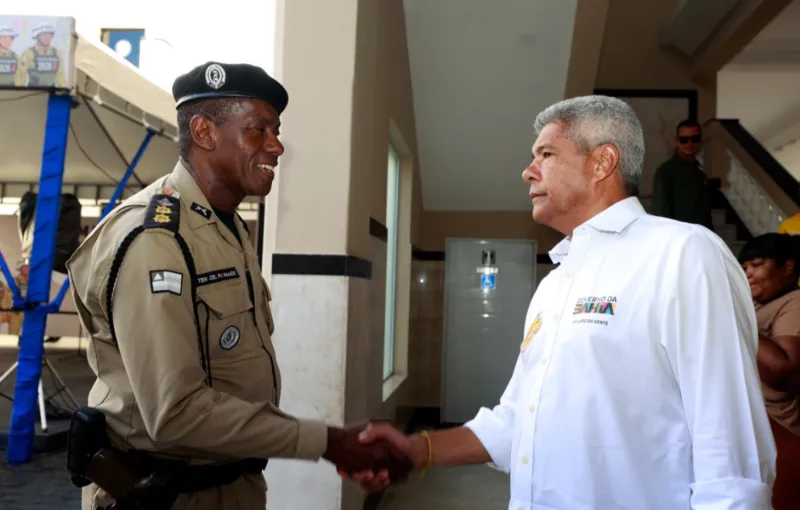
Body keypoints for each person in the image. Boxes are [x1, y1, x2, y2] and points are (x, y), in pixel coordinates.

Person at [344, 95, 777, 509]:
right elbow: (519, 422)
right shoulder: (557, 282)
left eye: (546, 154)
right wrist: (416, 449)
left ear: (602, 162)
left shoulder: (683, 254)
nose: (528, 172)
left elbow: (731, 452)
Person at [66, 62, 411, 510]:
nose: (277, 145)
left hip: (228, 484)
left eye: (277, 130)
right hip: (166, 493)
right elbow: (176, 413)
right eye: (258, 130)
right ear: (205, 132)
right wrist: (327, 442)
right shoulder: (156, 240)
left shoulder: (224, 228)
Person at [739, 233, 800, 509]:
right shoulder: (756, 305)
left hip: (781, 432)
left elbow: (785, 370)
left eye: (757, 264)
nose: (748, 274)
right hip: (754, 430)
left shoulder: (795, 303)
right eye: (745, 267)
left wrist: (735, 316)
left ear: (787, 267)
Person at [651, 119, 714, 229]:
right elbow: (661, 213)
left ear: (700, 141)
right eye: (684, 139)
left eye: (694, 139)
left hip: (701, 235)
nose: (690, 143)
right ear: (677, 141)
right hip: (679, 237)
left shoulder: (699, 173)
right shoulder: (666, 171)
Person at [18, 23, 66, 88]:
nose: (47, 37)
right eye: (44, 34)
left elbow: (61, 76)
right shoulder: (28, 54)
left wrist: (64, 91)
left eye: (50, 34)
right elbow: (20, 76)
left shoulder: (57, 54)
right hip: (32, 93)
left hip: (51, 93)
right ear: (37, 35)